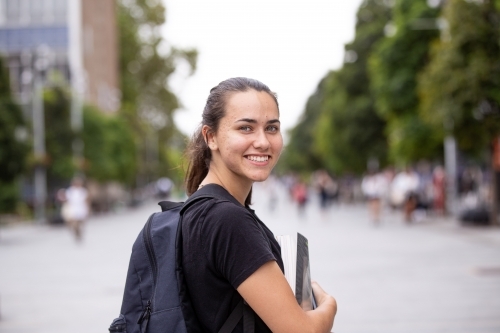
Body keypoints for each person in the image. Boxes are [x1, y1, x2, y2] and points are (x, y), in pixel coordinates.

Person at [182, 77, 337, 333]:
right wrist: (328, 304)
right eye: (246, 128)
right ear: (211, 137)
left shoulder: (199, 209)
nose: (263, 142)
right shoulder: (227, 220)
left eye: (272, 128)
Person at [61, 177, 89, 241]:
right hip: (73, 209)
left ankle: (79, 233)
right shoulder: (70, 191)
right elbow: (67, 200)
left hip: (81, 208)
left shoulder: (83, 191)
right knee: (74, 223)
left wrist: (87, 209)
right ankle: (77, 233)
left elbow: (86, 200)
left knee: (80, 223)